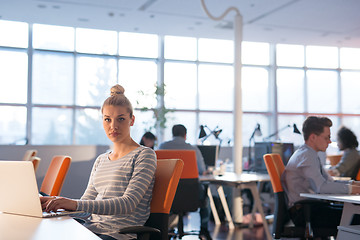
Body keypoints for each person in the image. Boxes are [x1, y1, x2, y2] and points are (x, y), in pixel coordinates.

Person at [41, 84, 157, 240]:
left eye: (121, 119)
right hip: (90, 229)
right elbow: (85, 206)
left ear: (132, 120)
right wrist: (56, 203)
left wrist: (73, 204)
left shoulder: (144, 155)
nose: (113, 126)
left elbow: (128, 203)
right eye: (107, 119)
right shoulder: (101, 160)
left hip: (118, 235)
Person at [281, 116, 360, 231]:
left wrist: (354, 185)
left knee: (353, 213)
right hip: (306, 213)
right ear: (313, 137)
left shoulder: (309, 154)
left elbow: (329, 181)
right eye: (326, 138)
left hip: (311, 209)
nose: (329, 141)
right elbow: (321, 187)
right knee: (356, 217)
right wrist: (353, 189)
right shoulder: (307, 156)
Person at [158, 124, 211, 240]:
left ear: (172, 134)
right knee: (207, 199)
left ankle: (161, 231)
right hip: (191, 196)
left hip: (167, 197)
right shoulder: (193, 149)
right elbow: (202, 170)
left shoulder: (162, 147)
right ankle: (204, 231)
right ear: (185, 135)